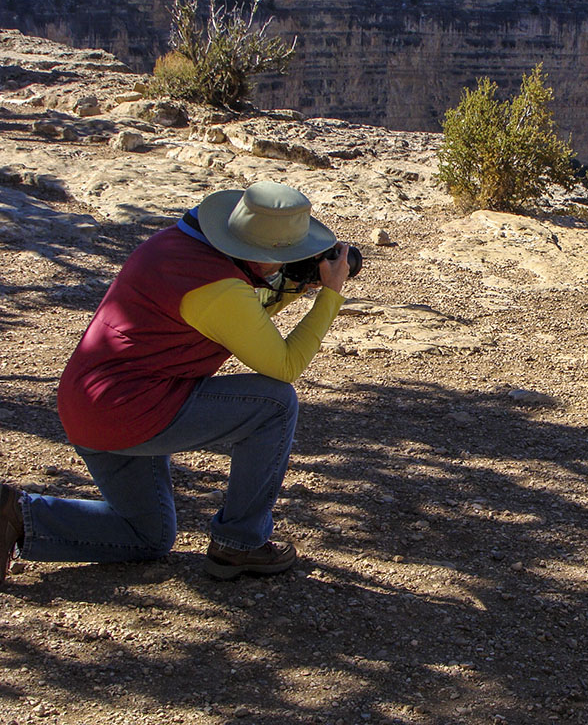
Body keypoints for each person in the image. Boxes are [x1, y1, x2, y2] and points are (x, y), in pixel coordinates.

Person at [0, 180, 351, 582]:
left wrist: (294, 287)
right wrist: (330, 295)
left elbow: (237, 320)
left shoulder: (180, 245)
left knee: (147, 536)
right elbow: (285, 364)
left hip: (90, 405)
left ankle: (17, 514)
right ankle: (240, 544)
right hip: (131, 409)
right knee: (274, 403)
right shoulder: (219, 289)